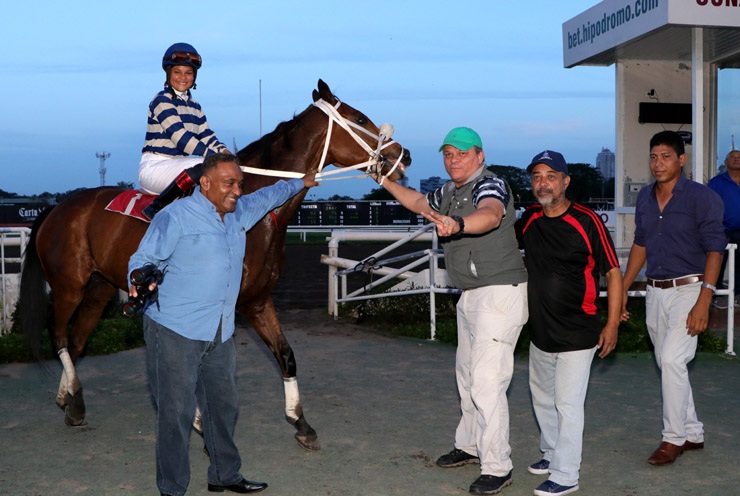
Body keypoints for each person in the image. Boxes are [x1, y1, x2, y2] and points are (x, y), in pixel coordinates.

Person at [128, 153, 318, 496]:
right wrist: (137, 278)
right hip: (175, 330)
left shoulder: (238, 213)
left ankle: (224, 475)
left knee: (223, 406)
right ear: (205, 183)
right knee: (176, 413)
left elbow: (267, 196)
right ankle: (172, 489)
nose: (237, 190)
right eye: (229, 183)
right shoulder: (175, 216)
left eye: (239, 183)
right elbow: (143, 258)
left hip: (220, 329)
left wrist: (300, 183)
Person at [377, 127, 528, 495]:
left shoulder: (488, 185)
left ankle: (498, 466)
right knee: (466, 376)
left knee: (486, 382)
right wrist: (382, 179)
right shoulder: (450, 191)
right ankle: (470, 445)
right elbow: (417, 202)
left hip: (499, 295)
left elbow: (490, 215)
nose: (454, 160)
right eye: (448, 154)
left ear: (479, 156)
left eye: (462, 154)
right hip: (473, 295)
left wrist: (458, 224)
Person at [515, 151, 622, 496]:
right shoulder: (529, 217)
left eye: (550, 176)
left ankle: (566, 475)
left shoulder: (588, 220)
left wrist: (612, 325)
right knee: (543, 399)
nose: (542, 183)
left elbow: (613, 272)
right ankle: (551, 453)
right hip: (541, 330)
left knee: (568, 404)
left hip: (579, 329)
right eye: (536, 177)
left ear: (565, 181)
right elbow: (499, 244)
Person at [620, 130, 726, 466]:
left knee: (670, 360)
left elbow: (715, 250)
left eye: (666, 156)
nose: (658, 163)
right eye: (653, 156)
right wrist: (623, 290)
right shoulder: (645, 199)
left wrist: (704, 300)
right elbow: (640, 244)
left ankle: (673, 439)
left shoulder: (702, 197)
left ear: (682, 159)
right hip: (655, 291)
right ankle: (693, 432)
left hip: (691, 289)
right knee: (671, 364)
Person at [139, 42, 231, 219]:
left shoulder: (195, 106)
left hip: (179, 166)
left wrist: (225, 152)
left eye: (188, 73)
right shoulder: (161, 100)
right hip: (155, 167)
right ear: (168, 73)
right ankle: (157, 207)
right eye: (177, 72)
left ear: (194, 76)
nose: (183, 77)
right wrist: (213, 155)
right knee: (203, 166)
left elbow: (206, 135)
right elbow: (181, 138)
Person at [707, 149, 740, 307]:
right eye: (732, 157)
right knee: (718, 262)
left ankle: (738, 296)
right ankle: (717, 294)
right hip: (723, 231)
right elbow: (708, 206)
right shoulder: (716, 182)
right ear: (726, 162)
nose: (736, 160)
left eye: (739, 157)